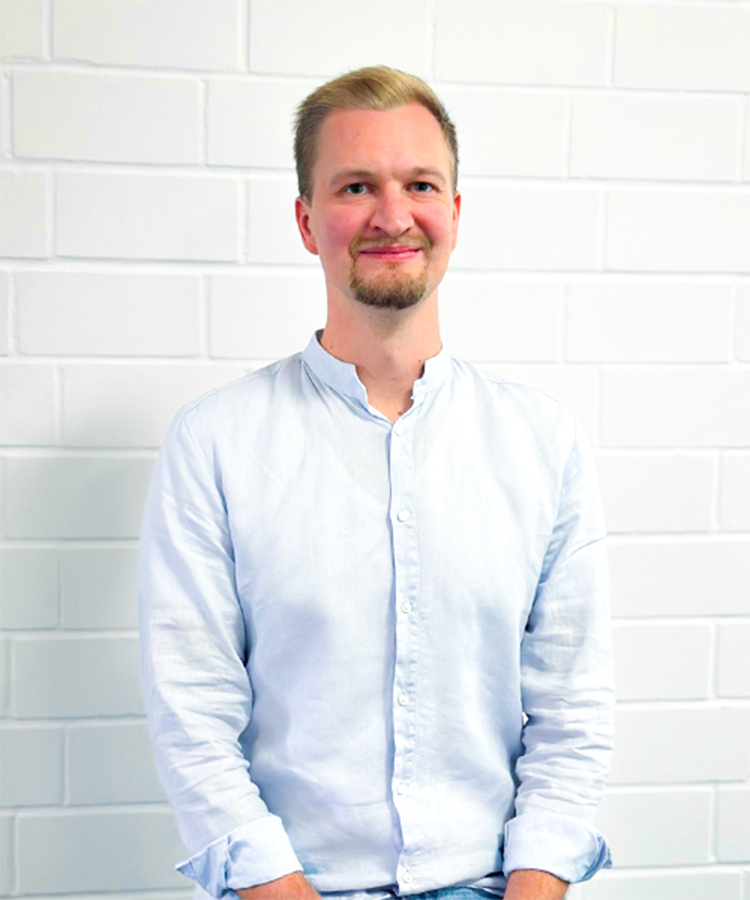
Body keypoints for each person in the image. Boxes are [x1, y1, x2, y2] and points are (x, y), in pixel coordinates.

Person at [138, 66, 614, 900]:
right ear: (306, 220)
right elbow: (192, 714)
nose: (393, 217)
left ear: (454, 213)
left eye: (419, 185)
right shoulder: (214, 443)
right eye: (356, 186)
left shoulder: (543, 443)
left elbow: (572, 711)